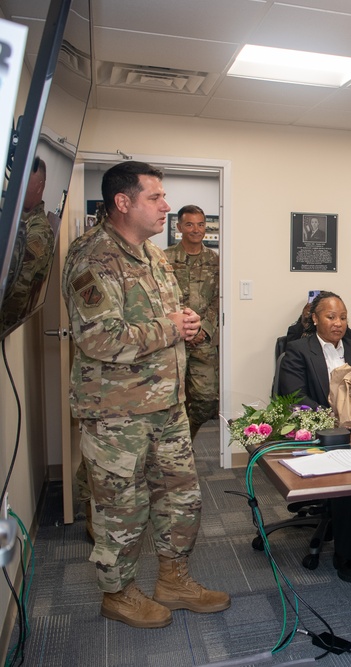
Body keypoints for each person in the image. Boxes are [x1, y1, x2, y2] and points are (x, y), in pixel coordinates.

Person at [62, 161, 229, 629]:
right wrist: (170, 327)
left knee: (182, 499)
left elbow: (170, 316)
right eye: (155, 197)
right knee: (122, 509)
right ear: (123, 202)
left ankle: (174, 579)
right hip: (117, 415)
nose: (166, 205)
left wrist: (187, 325)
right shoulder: (91, 257)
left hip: (166, 407)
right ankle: (117, 594)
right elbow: (98, 337)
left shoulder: (154, 256)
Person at [277, 291, 351, 582]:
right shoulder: (299, 350)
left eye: (342, 317)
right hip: (322, 432)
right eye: (330, 316)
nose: (338, 323)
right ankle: (346, 555)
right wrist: (335, 416)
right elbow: (294, 397)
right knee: (348, 481)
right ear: (315, 319)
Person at [164, 204, 219, 439]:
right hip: (172, 340)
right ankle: (175, 450)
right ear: (179, 227)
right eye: (189, 224)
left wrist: (203, 330)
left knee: (206, 401)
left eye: (200, 224)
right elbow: (159, 299)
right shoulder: (164, 259)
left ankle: (186, 438)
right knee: (168, 399)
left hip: (202, 341)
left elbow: (219, 300)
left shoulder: (215, 261)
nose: (196, 230)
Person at [0, 156, 56, 332]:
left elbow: (17, 289)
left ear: (39, 186)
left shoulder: (38, 232)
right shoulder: (16, 220)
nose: (17, 188)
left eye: (25, 183)